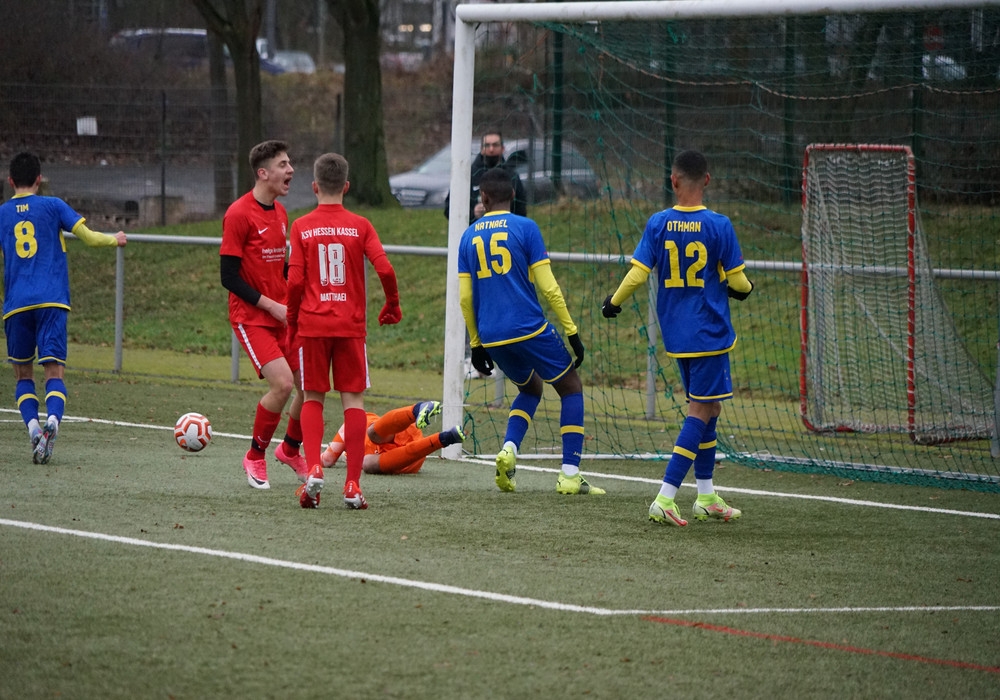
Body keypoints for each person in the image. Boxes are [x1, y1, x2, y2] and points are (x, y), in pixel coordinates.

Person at [601, 149, 752, 526]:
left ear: (673, 181)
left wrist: (613, 301)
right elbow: (738, 282)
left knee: (710, 408)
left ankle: (706, 496)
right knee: (700, 410)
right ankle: (665, 497)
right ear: (707, 180)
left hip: (676, 335)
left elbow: (638, 274)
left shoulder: (658, 222)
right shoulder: (719, 225)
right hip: (710, 334)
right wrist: (744, 289)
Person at [458, 167, 604, 496]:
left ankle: (509, 449)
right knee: (570, 387)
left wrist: (476, 344)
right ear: (513, 195)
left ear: (483, 198)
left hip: (491, 335)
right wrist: (571, 331)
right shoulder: (526, 227)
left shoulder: (467, 236)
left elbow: (466, 298)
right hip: (528, 328)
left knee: (531, 388)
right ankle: (570, 474)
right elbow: (549, 288)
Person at [286, 152, 402, 509]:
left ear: (314, 186)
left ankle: (314, 469)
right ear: (346, 187)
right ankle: (352, 485)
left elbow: (295, 281)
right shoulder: (360, 225)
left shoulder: (301, 226)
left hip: (312, 325)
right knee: (353, 401)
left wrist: (292, 321)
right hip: (350, 327)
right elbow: (385, 269)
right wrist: (392, 304)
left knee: (312, 396)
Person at [0, 151, 127, 464]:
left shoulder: (2, 213)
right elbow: (89, 238)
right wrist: (115, 239)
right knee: (54, 371)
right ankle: (53, 422)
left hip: (16, 305)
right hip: (52, 301)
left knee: (23, 375)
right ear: (39, 180)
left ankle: (33, 429)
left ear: (11, 181)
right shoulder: (53, 205)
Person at [220, 139, 309, 490]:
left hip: (283, 315)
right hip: (252, 317)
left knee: (311, 386)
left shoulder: (282, 213)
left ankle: (290, 449)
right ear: (263, 173)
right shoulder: (238, 214)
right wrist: (272, 305)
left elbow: (280, 268)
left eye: (290, 163)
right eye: (283, 165)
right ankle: (255, 456)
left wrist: (299, 290)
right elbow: (229, 277)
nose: (291, 170)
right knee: (283, 384)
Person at [319, 400, 466, 475]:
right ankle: (445, 437)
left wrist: (310, 458)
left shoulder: (350, 425)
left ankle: (418, 412)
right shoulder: (352, 450)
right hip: (408, 457)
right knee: (368, 462)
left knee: (373, 436)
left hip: (400, 438)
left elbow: (327, 459)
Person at [445, 130, 527, 223]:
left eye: (495, 145)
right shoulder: (467, 175)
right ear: (481, 148)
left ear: (502, 148)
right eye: (487, 145)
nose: (491, 149)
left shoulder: (512, 176)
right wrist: (473, 214)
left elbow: (521, 212)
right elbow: (449, 209)